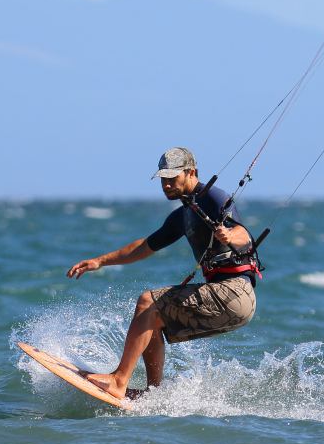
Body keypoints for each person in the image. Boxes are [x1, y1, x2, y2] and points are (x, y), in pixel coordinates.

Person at [66, 147, 260, 399]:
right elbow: (145, 246)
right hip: (230, 297)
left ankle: (118, 380)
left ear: (192, 172)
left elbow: (244, 235)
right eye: (163, 179)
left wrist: (230, 235)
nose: (166, 185)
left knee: (148, 302)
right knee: (152, 319)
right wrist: (100, 261)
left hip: (234, 292)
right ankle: (153, 395)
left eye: (172, 178)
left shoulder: (213, 197)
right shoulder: (183, 215)